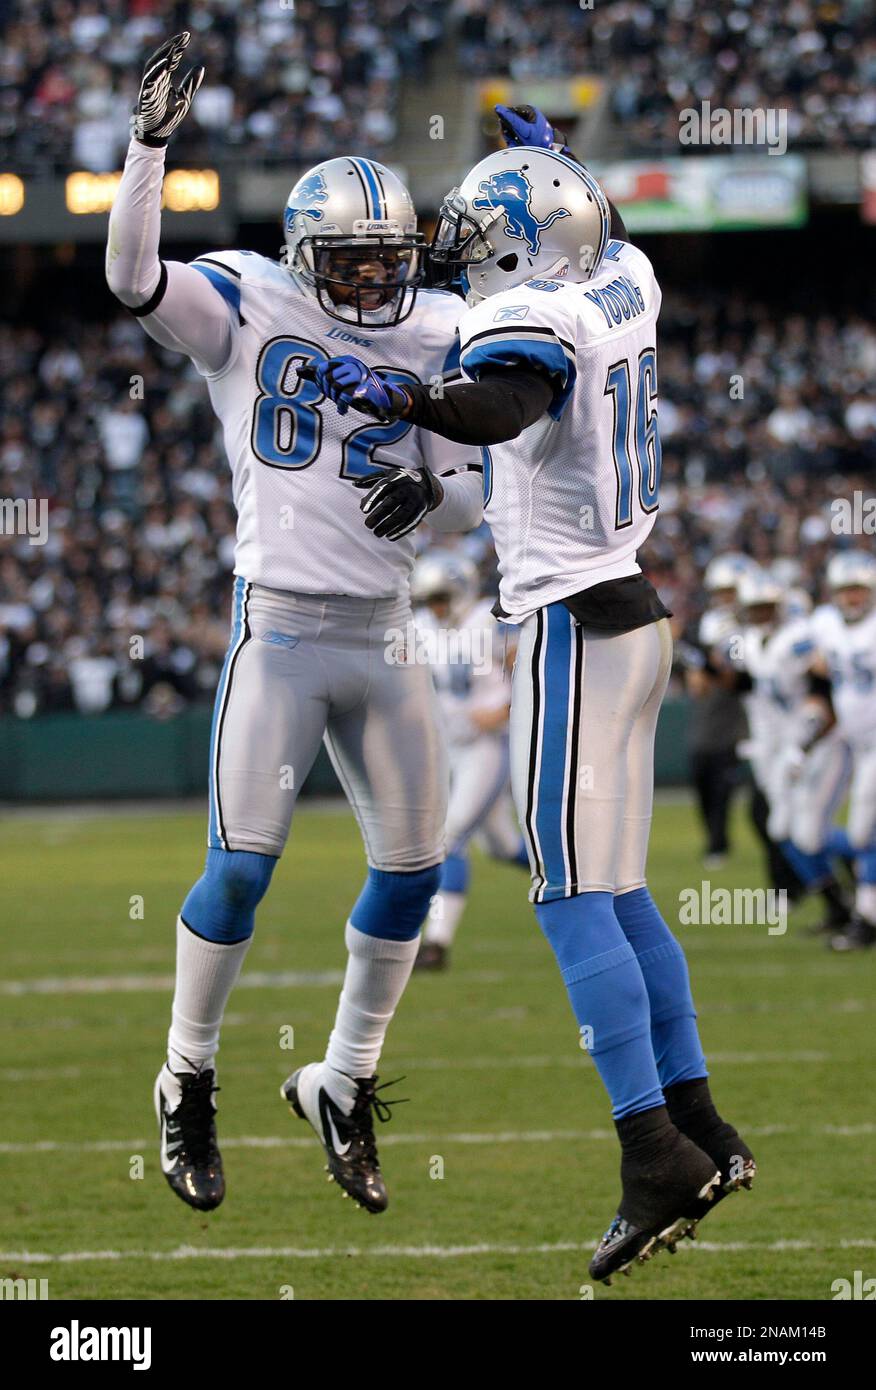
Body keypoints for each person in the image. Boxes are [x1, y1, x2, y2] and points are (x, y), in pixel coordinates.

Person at [309, 105, 755, 1281]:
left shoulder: (533, 311)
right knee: (620, 890)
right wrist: (558, 167)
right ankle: (699, 1121)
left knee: (568, 898)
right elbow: (581, 228)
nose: (461, 246)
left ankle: (653, 1147)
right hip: (638, 613)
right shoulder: (626, 270)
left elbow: (503, 404)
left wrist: (398, 396)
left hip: (568, 622)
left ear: (525, 237)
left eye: (480, 228)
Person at [106, 33, 483, 1216]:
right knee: (239, 874)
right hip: (279, 632)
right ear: (301, 257)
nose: (375, 283)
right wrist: (147, 150)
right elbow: (129, 279)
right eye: (350, 262)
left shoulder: (437, 328)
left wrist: (439, 488)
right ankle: (185, 1078)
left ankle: (343, 1079)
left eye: (387, 260)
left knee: (415, 879)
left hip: (385, 632)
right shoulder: (248, 301)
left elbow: (475, 476)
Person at [408, 548, 527, 971]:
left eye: (441, 597)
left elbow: (535, 660)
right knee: (503, 846)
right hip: (449, 748)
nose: (436, 607)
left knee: (449, 838)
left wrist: (508, 704)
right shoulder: (420, 627)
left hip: (487, 744)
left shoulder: (488, 620)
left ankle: (436, 943)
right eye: (430, 599)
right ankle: (580, 879)